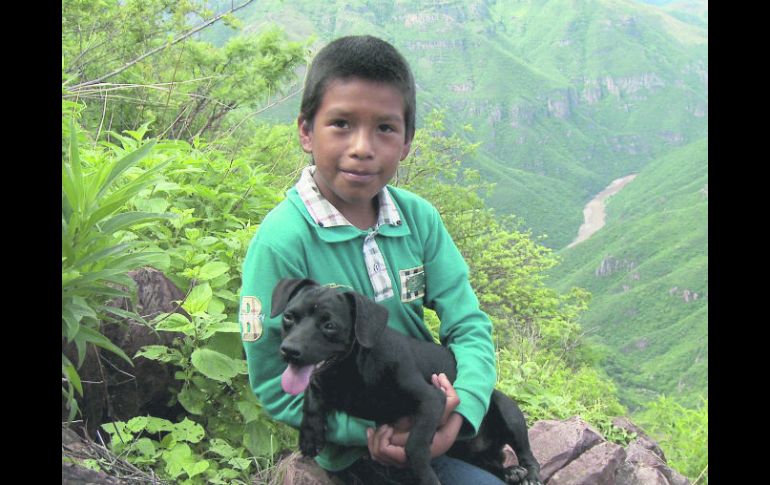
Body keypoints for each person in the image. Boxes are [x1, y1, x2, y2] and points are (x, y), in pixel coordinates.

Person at [239, 35, 503, 484]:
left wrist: (462, 410)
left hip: (432, 412)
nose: (363, 147)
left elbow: (468, 325)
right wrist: (370, 431)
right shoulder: (282, 242)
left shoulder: (417, 219)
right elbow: (273, 382)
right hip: (353, 450)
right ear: (306, 130)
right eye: (341, 123)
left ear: (406, 143)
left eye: (385, 128)